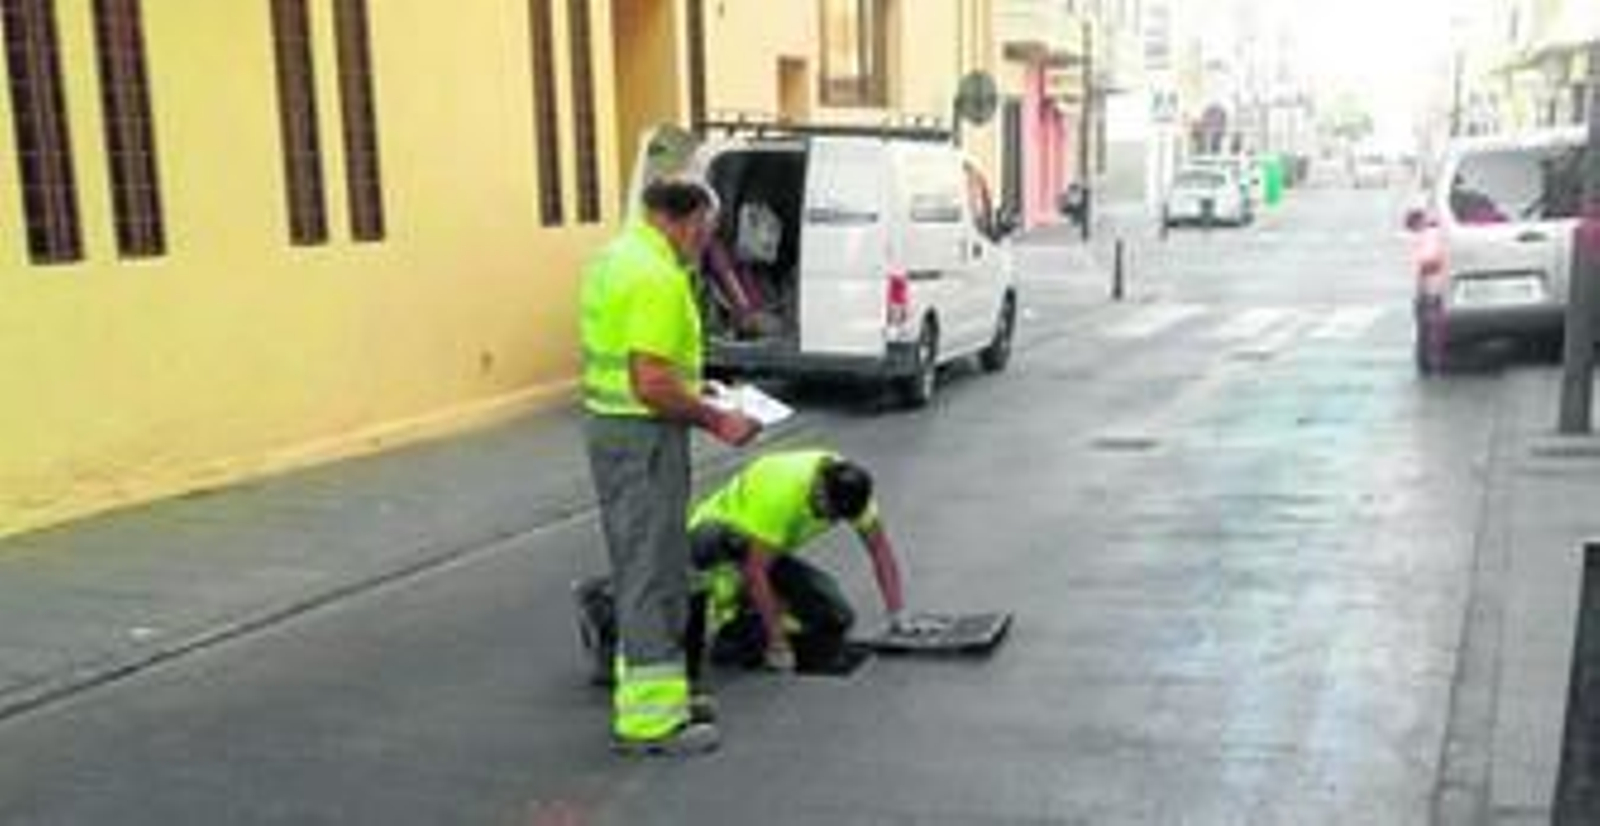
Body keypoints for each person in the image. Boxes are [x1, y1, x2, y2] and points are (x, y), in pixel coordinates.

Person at [580, 177, 760, 756]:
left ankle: (667, 694)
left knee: (654, 562)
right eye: (704, 232)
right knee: (651, 571)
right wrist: (717, 419)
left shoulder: (615, 257)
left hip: (616, 428)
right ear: (681, 222)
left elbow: (642, 365)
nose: (704, 244)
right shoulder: (657, 276)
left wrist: (693, 387)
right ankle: (651, 721)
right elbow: (650, 381)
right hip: (644, 437)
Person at [685, 450, 921, 674]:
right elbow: (755, 571)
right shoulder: (781, 493)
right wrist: (778, 645)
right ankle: (733, 630)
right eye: (830, 512)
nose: (831, 519)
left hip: (766, 548)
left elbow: (880, 550)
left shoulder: (853, 493)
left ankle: (761, 614)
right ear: (819, 489)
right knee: (746, 624)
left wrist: (898, 613)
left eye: (838, 517)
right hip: (715, 545)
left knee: (837, 616)